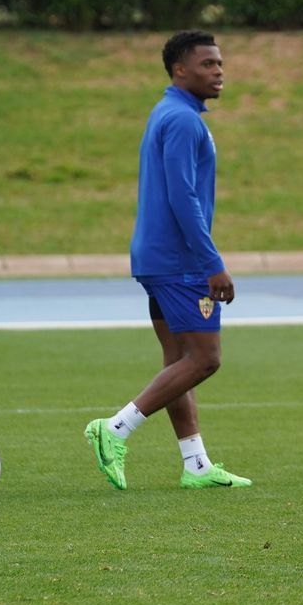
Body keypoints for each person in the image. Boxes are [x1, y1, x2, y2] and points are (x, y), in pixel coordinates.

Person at [84, 30, 251, 491]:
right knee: (205, 359)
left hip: (157, 257)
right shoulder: (182, 121)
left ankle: (196, 465)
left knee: (177, 360)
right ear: (180, 69)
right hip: (179, 262)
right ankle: (114, 428)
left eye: (220, 63)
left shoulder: (170, 113)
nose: (218, 71)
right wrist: (212, 262)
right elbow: (184, 197)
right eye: (207, 64)